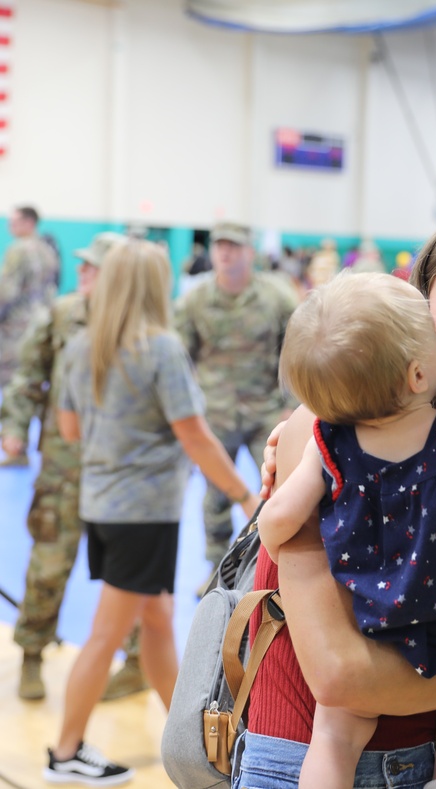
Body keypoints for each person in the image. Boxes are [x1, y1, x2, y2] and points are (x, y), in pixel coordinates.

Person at [242, 212, 436, 789]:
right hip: (296, 750)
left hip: (418, 759)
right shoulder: (330, 425)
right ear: (416, 307)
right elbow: (340, 679)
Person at [46, 239, 260, 786]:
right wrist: (243, 494)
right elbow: (195, 435)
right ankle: (65, 751)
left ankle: (185, 740)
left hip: (105, 508)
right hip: (143, 515)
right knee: (105, 634)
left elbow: (70, 429)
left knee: (158, 624)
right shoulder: (159, 348)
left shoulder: (80, 346)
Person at [2, 232, 147, 702]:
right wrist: (16, 426)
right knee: (49, 561)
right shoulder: (62, 315)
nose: (82, 271)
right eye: (82, 264)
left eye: (94, 266)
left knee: (127, 570)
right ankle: (31, 654)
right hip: (63, 465)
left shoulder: (140, 327)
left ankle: (136, 660)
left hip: (119, 470)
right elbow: (28, 376)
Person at [173, 221, 299, 578]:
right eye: (219, 245)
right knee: (215, 496)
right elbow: (180, 361)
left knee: (281, 486)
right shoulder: (194, 301)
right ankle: (217, 571)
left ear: (250, 252)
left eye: (234, 246)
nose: (224, 252)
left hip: (266, 411)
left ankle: (273, 567)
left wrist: (291, 403)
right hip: (215, 414)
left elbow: (293, 352)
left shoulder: (277, 297)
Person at [0, 205, 60, 459]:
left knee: (11, 385)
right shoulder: (48, 250)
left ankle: (14, 447)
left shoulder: (18, 250)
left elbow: (7, 291)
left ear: (28, 222)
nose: (10, 225)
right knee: (31, 383)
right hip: (39, 324)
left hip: (15, 330)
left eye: (14, 221)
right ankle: (25, 445)